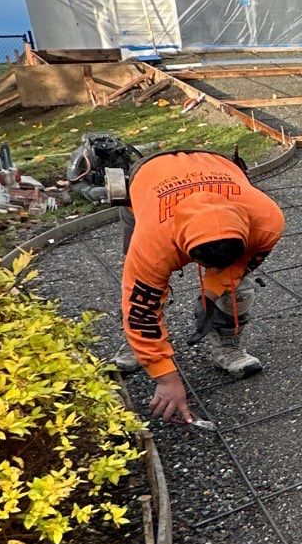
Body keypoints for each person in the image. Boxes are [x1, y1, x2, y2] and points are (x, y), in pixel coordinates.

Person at [114, 149, 286, 425]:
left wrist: (213, 290)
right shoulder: (152, 245)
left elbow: (242, 264)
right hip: (146, 179)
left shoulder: (266, 219)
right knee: (141, 287)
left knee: (237, 289)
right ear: (182, 250)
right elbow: (140, 308)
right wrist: (165, 377)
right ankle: (139, 348)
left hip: (214, 163)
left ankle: (227, 345)